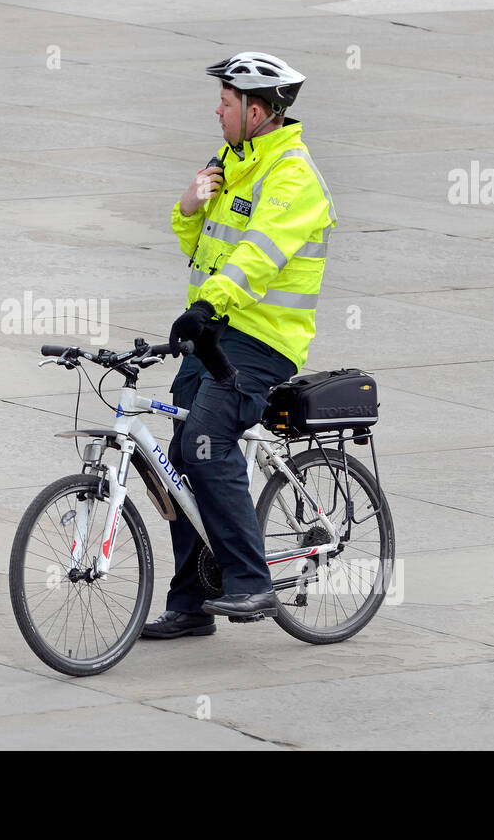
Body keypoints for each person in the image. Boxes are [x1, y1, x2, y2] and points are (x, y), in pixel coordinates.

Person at [142, 51, 337, 639]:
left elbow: (258, 256)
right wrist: (188, 206)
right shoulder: (230, 161)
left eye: (226, 104)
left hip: (263, 339)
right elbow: (200, 248)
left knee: (205, 442)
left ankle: (250, 582)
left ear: (257, 111)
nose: (217, 113)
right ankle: (192, 602)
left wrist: (207, 305)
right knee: (179, 460)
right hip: (215, 332)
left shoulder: (292, 176)